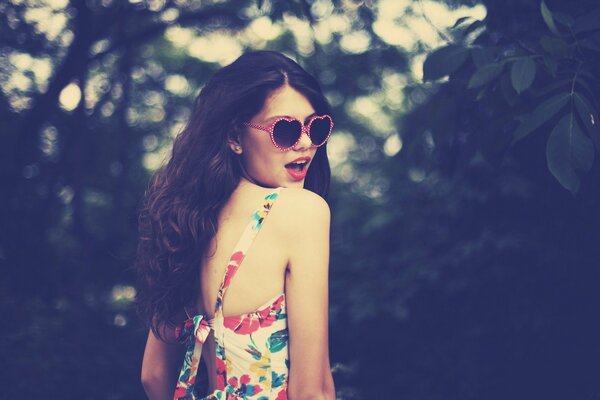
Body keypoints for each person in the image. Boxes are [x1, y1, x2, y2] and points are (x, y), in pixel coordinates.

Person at [135, 50, 336, 400]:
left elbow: (153, 376)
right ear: (234, 137)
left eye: (315, 126)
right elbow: (312, 392)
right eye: (285, 129)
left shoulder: (188, 225)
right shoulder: (302, 212)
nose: (305, 142)